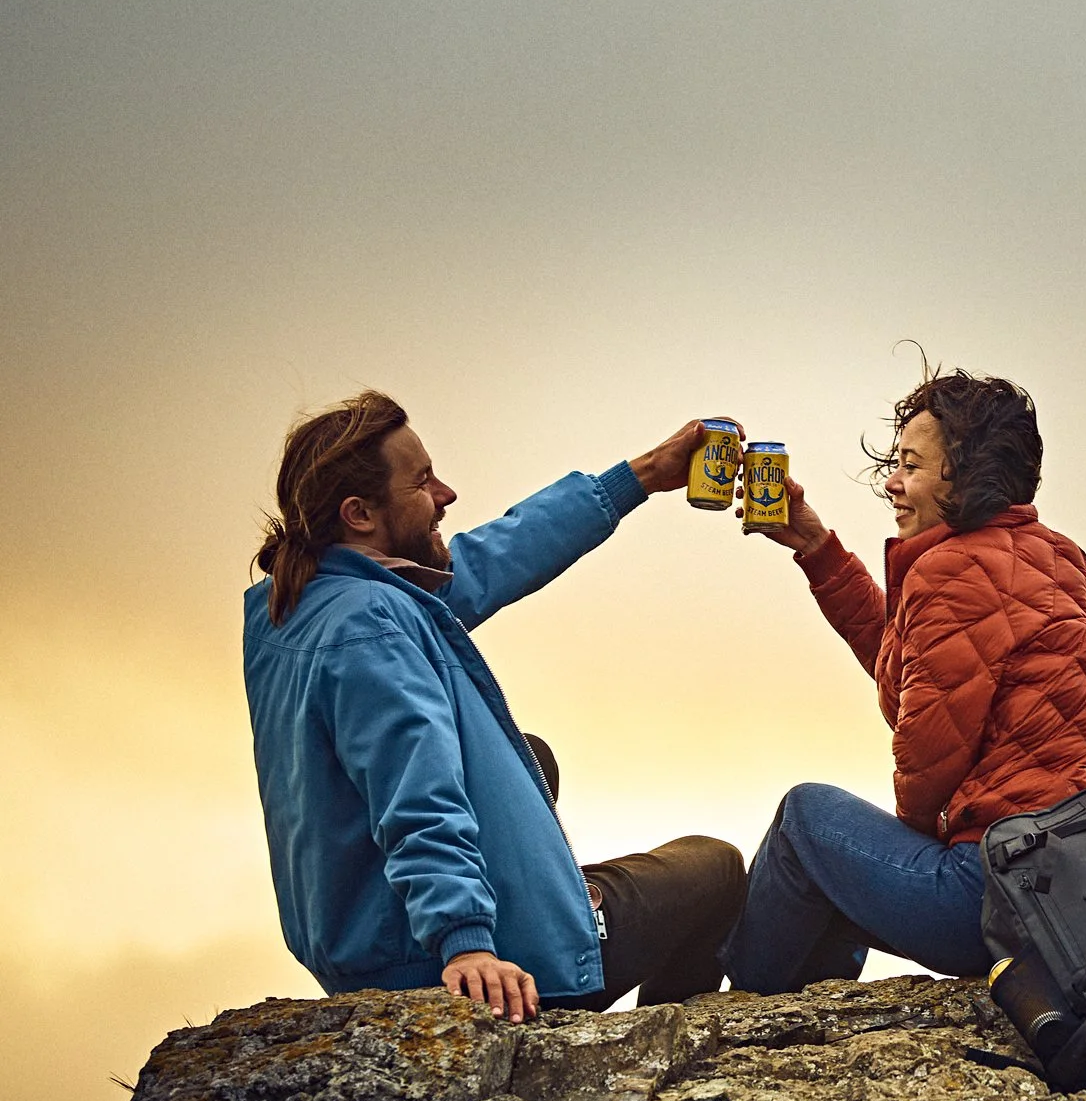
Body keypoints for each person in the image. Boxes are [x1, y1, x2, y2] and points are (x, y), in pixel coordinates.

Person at [243, 390, 746, 1022]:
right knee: (715, 868)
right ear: (360, 514)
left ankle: (549, 904)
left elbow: (492, 558)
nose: (446, 494)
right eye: (422, 482)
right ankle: (660, 1051)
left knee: (531, 758)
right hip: (467, 966)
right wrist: (466, 942)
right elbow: (414, 791)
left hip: (365, 945)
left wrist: (640, 477)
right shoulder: (373, 627)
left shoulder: (295, 606)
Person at [721, 367, 1086, 992]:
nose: (892, 481)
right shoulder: (1061, 556)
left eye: (911, 465)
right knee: (837, 860)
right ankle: (816, 999)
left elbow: (928, 761)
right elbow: (920, 660)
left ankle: (743, 1012)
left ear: (967, 475)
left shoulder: (949, 570)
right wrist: (815, 545)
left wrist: (899, 855)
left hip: (995, 896)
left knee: (806, 820)